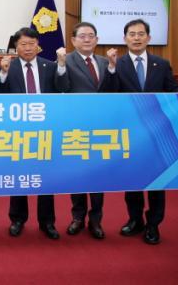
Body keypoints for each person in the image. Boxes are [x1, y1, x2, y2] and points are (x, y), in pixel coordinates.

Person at [104, 18, 178, 245]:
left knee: (157, 180)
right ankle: (135, 220)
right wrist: (111, 68)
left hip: (157, 132)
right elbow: (108, 94)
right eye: (132, 34)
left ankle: (153, 224)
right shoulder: (118, 64)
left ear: (149, 38)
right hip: (130, 133)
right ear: (125, 38)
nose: (136, 38)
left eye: (140, 34)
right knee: (133, 179)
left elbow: (172, 90)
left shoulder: (161, 64)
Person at [0, 27, 68, 240]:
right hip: (18, 132)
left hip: (44, 130)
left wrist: (62, 66)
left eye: (31, 44)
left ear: (38, 45)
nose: (27, 48)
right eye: (23, 44)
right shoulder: (9, 67)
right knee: (19, 176)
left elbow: (63, 88)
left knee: (45, 177)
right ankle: (17, 219)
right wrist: (2, 74)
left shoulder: (50, 65)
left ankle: (47, 222)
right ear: (16, 46)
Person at [63, 22, 110, 240]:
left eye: (91, 35)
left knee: (98, 175)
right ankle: (78, 217)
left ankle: (96, 220)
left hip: (102, 128)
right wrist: (60, 66)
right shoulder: (65, 61)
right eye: (82, 36)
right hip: (77, 128)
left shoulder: (105, 62)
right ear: (73, 40)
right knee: (78, 174)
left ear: (97, 40)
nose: (87, 39)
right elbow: (60, 87)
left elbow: (113, 91)